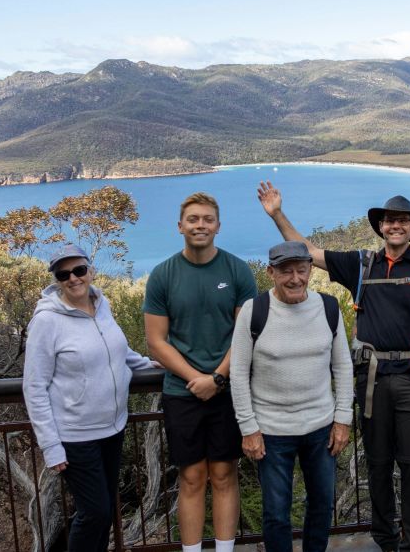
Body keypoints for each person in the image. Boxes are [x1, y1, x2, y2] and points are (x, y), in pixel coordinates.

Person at [257, 181, 410, 552]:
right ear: (381, 227)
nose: (396, 226)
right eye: (390, 221)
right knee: (378, 464)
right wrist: (277, 214)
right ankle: (385, 539)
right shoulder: (361, 265)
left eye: (403, 221)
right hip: (372, 379)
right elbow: (307, 253)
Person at [23, 244, 158, 552]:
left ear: (90, 270)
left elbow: (115, 349)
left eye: (79, 270)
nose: (73, 278)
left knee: (105, 510)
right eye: (64, 273)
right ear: (57, 279)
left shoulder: (101, 303)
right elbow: (34, 386)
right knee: (94, 512)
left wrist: (146, 364)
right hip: (75, 436)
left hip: (113, 428)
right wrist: (51, 446)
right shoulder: (47, 321)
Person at [143, 192, 257, 552]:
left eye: (207, 219)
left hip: (228, 391)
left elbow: (246, 332)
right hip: (182, 393)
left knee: (224, 474)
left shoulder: (237, 270)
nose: (200, 225)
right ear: (180, 226)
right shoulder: (163, 275)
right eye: (193, 219)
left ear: (218, 226)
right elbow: (156, 342)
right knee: (191, 478)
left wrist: (217, 378)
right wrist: (196, 378)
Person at [230, 240, 354, 552]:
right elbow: (238, 372)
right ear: (271, 272)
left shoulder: (328, 308)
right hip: (272, 432)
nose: (295, 278)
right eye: (286, 271)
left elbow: (342, 365)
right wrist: (249, 429)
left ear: (311, 270)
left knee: (323, 506)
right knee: (275, 514)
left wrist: (342, 420)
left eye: (301, 270)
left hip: (321, 428)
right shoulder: (254, 311)